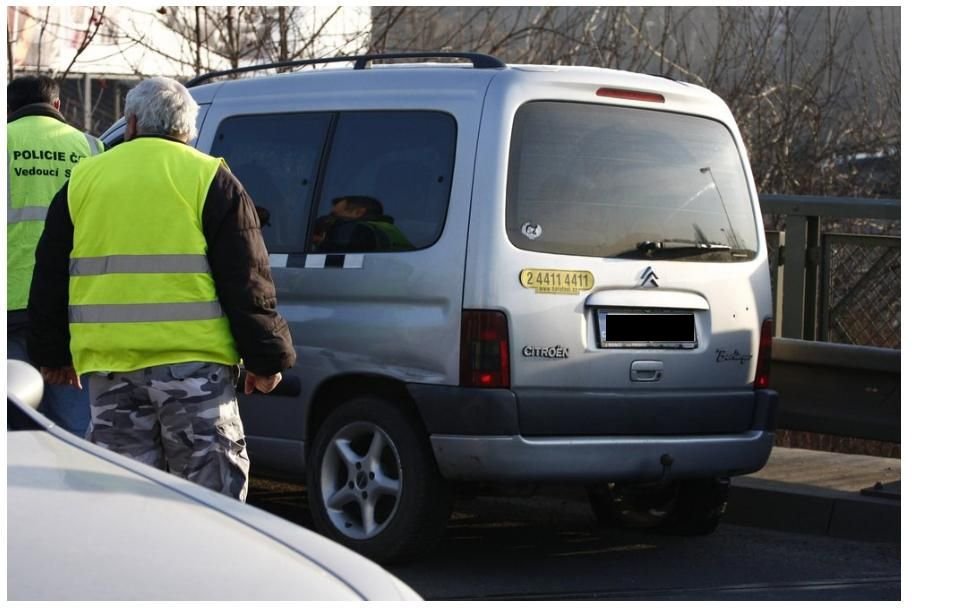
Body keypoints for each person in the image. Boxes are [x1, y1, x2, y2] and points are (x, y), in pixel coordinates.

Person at [28, 76, 296, 502]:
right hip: (194, 373)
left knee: (125, 501)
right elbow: (246, 279)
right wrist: (266, 358)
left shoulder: (84, 179)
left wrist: (53, 354)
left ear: (130, 122)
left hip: (110, 370)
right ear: (187, 129)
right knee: (212, 504)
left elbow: (50, 272)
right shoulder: (210, 178)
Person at [7, 74, 103, 437]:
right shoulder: (93, 148)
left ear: (9, 108)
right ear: (59, 106)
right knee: (74, 429)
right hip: (74, 306)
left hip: (11, 306)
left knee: (13, 422)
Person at [311, 195, 413, 252]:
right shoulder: (389, 229)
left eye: (334, 215)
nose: (331, 220)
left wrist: (320, 242)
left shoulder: (361, 230)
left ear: (359, 212)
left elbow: (342, 257)